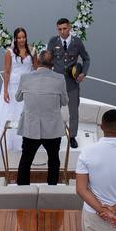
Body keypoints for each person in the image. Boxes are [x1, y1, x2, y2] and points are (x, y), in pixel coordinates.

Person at [15, 49, 68, 185]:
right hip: (52, 129)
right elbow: (64, 101)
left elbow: (18, 98)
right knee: (54, 160)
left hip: (31, 127)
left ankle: (22, 191)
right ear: (53, 64)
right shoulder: (60, 79)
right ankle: (51, 190)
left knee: (26, 160)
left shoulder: (25, 78)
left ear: (37, 62)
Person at [48, 18, 90, 149]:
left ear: (69, 27)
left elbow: (86, 58)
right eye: (59, 29)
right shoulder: (53, 41)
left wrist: (83, 73)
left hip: (72, 84)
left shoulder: (77, 42)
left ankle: (72, 136)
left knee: (73, 112)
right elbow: (48, 60)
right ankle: (53, 135)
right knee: (54, 111)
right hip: (57, 85)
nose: (62, 31)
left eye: (64, 28)